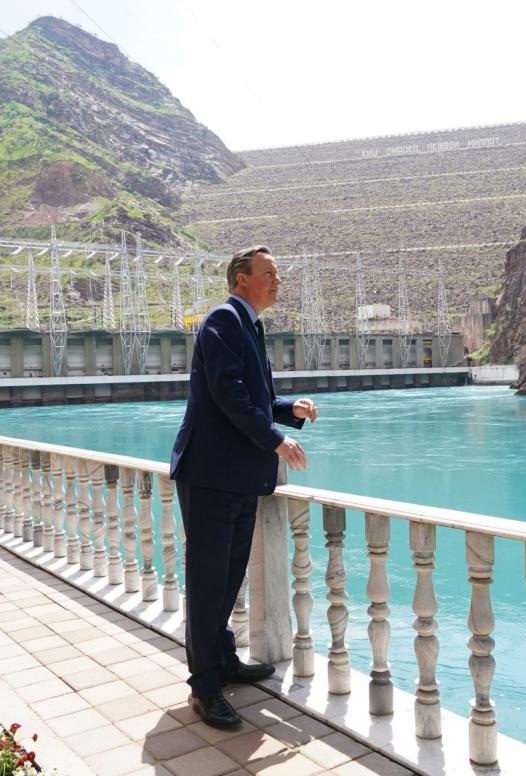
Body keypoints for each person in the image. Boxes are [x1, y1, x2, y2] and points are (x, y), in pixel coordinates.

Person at [169, 244, 318, 729]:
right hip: (211, 477)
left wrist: (286, 409)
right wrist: (276, 441)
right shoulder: (223, 320)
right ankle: (205, 687)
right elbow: (228, 395)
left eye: (278, 274)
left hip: (235, 478)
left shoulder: (249, 325)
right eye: (269, 274)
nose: (277, 281)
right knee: (209, 583)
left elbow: (256, 399)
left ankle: (225, 660)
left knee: (229, 578)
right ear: (241, 279)